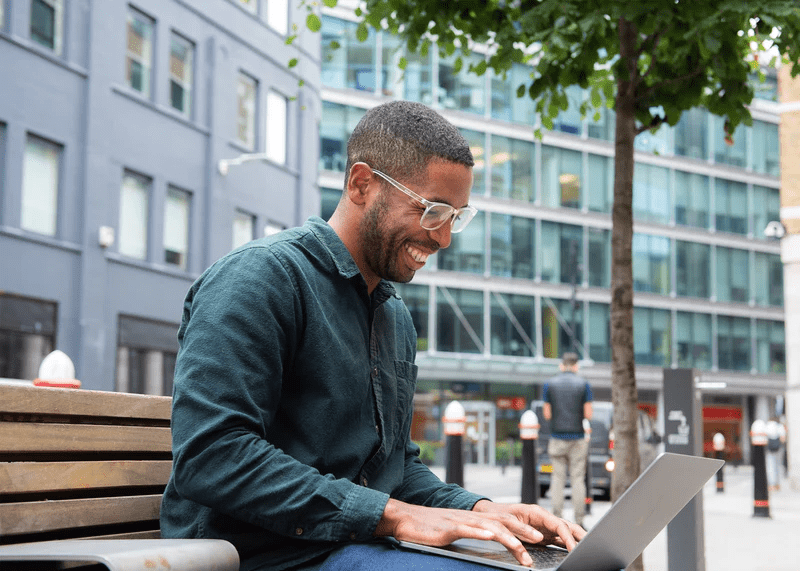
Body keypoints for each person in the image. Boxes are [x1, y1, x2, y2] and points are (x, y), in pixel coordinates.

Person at [160, 100, 585, 571]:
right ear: (362, 184)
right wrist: (393, 516)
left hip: (350, 546)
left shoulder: (393, 315)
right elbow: (212, 456)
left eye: (456, 217)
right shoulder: (259, 278)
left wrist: (481, 510)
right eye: (432, 211)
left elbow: (395, 470)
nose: (444, 238)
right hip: (257, 554)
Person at [541, 352, 593, 528]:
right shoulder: (584, 384)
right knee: (578, 478)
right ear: (576, 366)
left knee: (557, 478)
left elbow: (547, 414)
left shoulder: (550, 384)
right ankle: (578, 520)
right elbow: (588, 414)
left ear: (561, 366)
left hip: (557, 437)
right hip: (578, 438)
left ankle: (556, 518)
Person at [765, 416, 786, 492]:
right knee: (778, 466)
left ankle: (771, 485)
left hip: (769, 449)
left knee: (770, 466)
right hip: (778, 449)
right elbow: (783, 439)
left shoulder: (767, 426)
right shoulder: (779, 426)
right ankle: (777, 484)